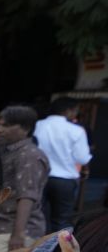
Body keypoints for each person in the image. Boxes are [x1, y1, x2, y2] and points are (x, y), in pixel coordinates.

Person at [0, 105, 49, 252]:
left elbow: (27, 196)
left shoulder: (28, 155)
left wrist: (18, 234)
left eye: (6, 125)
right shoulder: (8, 151)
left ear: (25, 129)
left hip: (12, 232)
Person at [35, 97, 92, 231]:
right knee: (61, 221)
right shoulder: (76, 130)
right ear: (69, 111)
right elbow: (83, 158)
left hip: (39, 177)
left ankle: (38, 249)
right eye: (75, 111)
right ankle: (58, 250)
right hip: (65, 180)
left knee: (39, 217)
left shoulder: (38, 125)